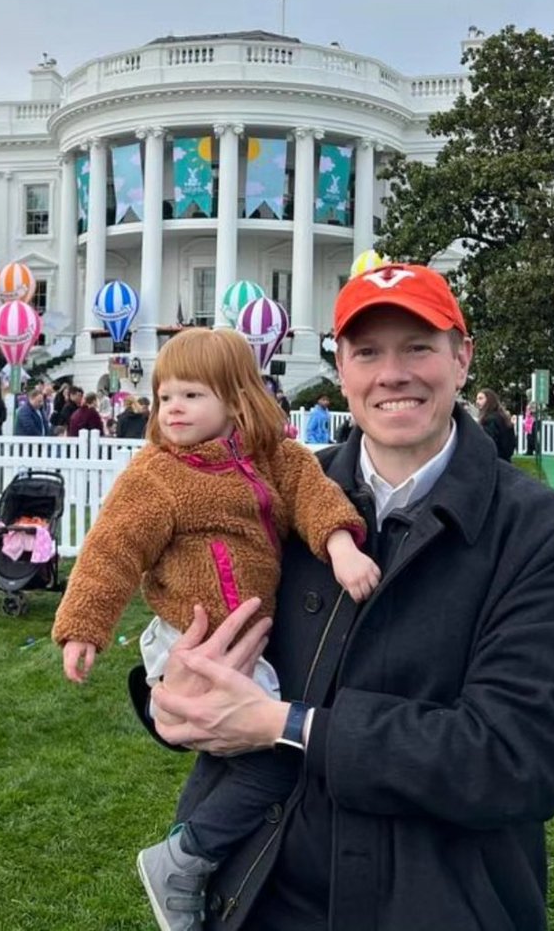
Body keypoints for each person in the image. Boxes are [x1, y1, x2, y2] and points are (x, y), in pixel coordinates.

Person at [135, 263, 554, 931]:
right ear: (342, 368)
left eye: (417, 347)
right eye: (367, 352)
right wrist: (170, 693)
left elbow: (519, 757)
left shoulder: (542, 535)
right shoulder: (271, 496)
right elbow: (200, 624)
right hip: (258, 894)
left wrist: (287, 724)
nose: (393, 373)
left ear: (461, 357)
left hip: (436, 902)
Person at [52, 327, 378, 929]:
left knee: (239, 756)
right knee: (279, 755)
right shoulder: (157, 476)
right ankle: (186, 856)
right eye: (166, 395)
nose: (174, 408)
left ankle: (198, 857)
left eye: (193, 395)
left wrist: (341, 547)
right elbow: (112, 551)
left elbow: (314, 494)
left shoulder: (273, 458)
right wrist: (84, 628)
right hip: (191, 640)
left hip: (249, 636)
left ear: (236, 400)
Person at [474, 388, 516, 461]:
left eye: (480, 398)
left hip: (494, 461)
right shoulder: (504, 417)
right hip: (505, 460)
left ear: (489, 400)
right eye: (477, 399)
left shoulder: (489, 419)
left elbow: (489, 443)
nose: (477, 401)